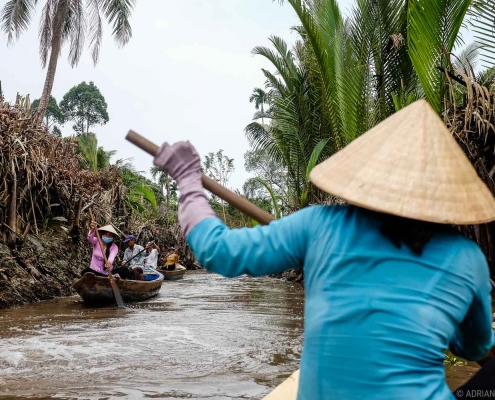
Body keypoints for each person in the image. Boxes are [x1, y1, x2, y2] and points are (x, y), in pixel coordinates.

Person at [152, 100, 495, 399]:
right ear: (445, 192)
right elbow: (476, 347)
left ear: (371, 175)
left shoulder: (319, 225)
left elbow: (217, 250)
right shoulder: (468, 259)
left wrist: (186, 178)